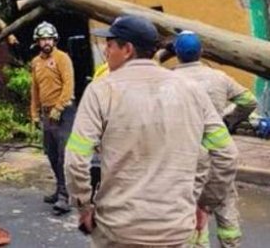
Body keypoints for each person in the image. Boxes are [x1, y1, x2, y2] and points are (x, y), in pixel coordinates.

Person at [65, 15, 239, 247]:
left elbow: (75, 159)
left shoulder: (101, 91)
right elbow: (227, 155)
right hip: (176, 230)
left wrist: (84, 207)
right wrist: (205, 203)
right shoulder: (191, 91)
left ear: (127, 49)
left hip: (118, 230)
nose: (106, 51)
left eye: (109, 45)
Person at [171, 31, 256, 248]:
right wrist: (229, 121)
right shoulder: (218, 77)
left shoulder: (169, 80)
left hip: (186, 154)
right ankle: (230, 243)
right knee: (225, 199)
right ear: (201, 52)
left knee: (191, 204)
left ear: (177, 54)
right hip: (219, 151)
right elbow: (249, 100)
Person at [29, 21, 76, 214]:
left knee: (63, 155)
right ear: (38, 41)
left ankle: (66, 196)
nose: (46, 42)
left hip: (64, 112)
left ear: (55, 40)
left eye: (49, 38)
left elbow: (69, 85)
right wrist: (34, 112)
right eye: (43, 39)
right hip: (47, 113)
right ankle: (59, 188)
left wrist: (59, 107)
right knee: (51, 153)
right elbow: (35, 89)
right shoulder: (36, 62)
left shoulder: (62, 58)